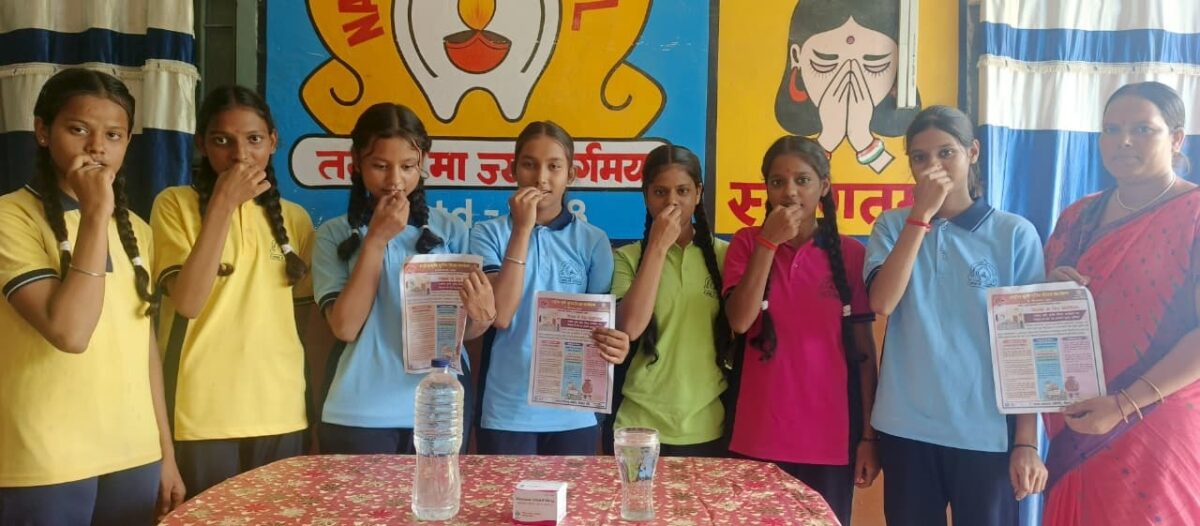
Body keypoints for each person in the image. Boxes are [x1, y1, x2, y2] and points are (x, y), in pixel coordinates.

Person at [0, 68, 184, 524]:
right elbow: (70, 332)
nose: (97, 147)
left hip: (134, 454)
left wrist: (164, 452)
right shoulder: (10, 217)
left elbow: (144, 350)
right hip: (45, 459)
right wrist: (96, 213)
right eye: (78, 129)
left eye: (113, 135)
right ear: (43, 131)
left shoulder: (137, 229)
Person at [865, 105, 1046, 526]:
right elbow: (882, 302)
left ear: (973, 152)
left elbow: (1028, 345)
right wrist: (919, 217)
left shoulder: (1014, 234)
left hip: (985, 432)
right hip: (906, 427)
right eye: (920, 157)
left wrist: (1026, 442)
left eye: (946, 153)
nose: (933, 167)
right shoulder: (891, 226)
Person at [1041, 81, 1200, 526]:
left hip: (1157, 422)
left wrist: (1125, 403)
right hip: (1078, 419)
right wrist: (1049, 290)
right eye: (1111, 129)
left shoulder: (1194, 212)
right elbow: (1040, 315)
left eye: (1142, 129)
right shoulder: (1078, 216)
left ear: (1176, 138)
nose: (1123, 141)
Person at [151, 86, 314, 497]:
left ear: (273, 142)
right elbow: (187, 302)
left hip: (282, 411)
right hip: (201, 415)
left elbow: (306, 323)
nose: (240, 155)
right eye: (223, 140)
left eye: (254, 139)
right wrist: (223, 205)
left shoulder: (295, 219)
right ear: (202, 145)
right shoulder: (174, 204)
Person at [312, 103, 493, 454]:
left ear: (423, 163)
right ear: (356, 161)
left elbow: (464, 332)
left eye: (408, 167)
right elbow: (345, 327)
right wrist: (375, 240)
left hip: (438, 407)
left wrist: (482, 317)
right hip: (358, 411)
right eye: (380, 166)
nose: (395, 180)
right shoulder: (334, 234)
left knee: (438, 492)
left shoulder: (451, 230)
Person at [723, 135, 879, 524]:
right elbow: (740, 320)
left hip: (829, 441)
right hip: (757, 436)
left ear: (823, 186)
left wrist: (869, 437)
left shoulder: (851, 254)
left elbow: (864, 355)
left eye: (802, 180)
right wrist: (768, 243)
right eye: (778, 182)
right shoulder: (746, 243)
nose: (789, 192)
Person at [470, 121, 630, 455]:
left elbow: (601, 325)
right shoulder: (487, 233)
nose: (541, 178)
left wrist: (617, 344)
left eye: (554, 166)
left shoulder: (593, 240)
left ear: (571, 174)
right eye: (529, 164)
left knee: (573, 492)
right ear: (513, 170)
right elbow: (500, 314)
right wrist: (522, 230)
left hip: (575, 411)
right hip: (507, 410)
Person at [609, 144, 729, 457]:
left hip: (706, 424)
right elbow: (629, 328)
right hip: (638, 424)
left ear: (698, 193)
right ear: (646, 196)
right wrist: (658, 247)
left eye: (683, 191)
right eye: (660, 192)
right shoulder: (626, 258)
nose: (672, 202)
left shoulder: (724, 256)